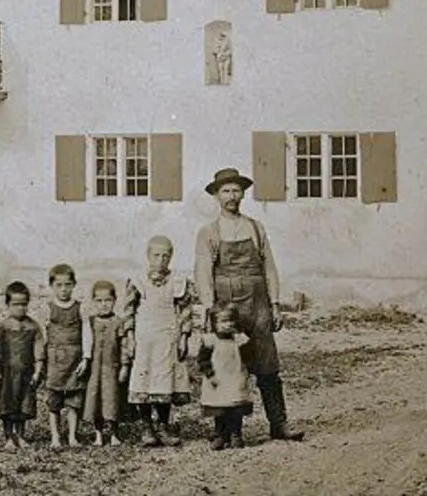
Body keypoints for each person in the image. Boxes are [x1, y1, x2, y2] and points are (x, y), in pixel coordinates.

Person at [194, 167, 302, 442]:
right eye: (226, 191)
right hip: (226, 308)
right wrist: (209, 309)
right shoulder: (209, 232)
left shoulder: (255, 227)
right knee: (225, 364)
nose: (232, 196)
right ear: (217, 196)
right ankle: (227, 431)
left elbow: (269, 268)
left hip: (258, 305)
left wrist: (275, 304)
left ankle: (279, 424)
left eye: (236, 190)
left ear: (243, 194)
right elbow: (203, 273)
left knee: (267, 364)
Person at [123, 235, 194, 446]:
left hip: (167, 337)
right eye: (156, 255)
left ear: (171, 257)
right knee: (144, 381)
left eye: (165, 256)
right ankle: (147, 427)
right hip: (144, 338)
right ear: (148, 255)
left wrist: (184, 337)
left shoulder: (178, 281)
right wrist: (129, 337)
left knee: (165, 381)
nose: (161, 260)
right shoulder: (137, 280)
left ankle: (163, 426)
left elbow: (186, 311)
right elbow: (127, 311)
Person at [40, 263, 92, 448]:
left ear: (74, 285)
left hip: (74, 360)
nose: (63, 289)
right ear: (51, 286)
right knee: (53, 401)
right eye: (59, 285)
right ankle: (55, 437)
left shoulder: (80, 308)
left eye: (67, 285)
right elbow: (43, 336)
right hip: (54, 361)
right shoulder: (48, 308)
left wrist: (86, 358)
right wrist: (42, 359)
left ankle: (72, 437)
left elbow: (86, 333)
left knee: (74, 401)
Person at [0, 280, 43, 449]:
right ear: (7, 304)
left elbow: (38, 349)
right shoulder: (3, 326)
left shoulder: (32, 326)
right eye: (16, 304)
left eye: (24, 304)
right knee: (7, 405)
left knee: (24, 404)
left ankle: (20, 435)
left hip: (26, 372)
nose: (20, 308)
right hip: (7, 372)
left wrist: (38, 370)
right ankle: (8, 437)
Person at [195, 304, 253, 450]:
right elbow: (203, 360)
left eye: (231, 320)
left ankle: (236, 434)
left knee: (236, 407)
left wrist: (245, 350)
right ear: (214, 323)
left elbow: (248, 357)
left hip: (235, 377)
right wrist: (210, 375)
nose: (228, 325)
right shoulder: (211, 340)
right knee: (220, 408)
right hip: (218, 380)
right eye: (223, 321)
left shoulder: (239, 339)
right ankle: (221, 434)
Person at [82, 280, 132, 446]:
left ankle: (114, 434)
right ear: (93, 301)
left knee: (112, 400)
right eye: (99, 301)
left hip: (112, 369)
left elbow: (124, 346)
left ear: (114, 301)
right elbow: (85, 344)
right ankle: (98, 434)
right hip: (94, 370)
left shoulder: (118, 322)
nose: (104, 304)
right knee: (95, 400)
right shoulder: (91, 322)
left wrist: (124, 366)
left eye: (108, 300)